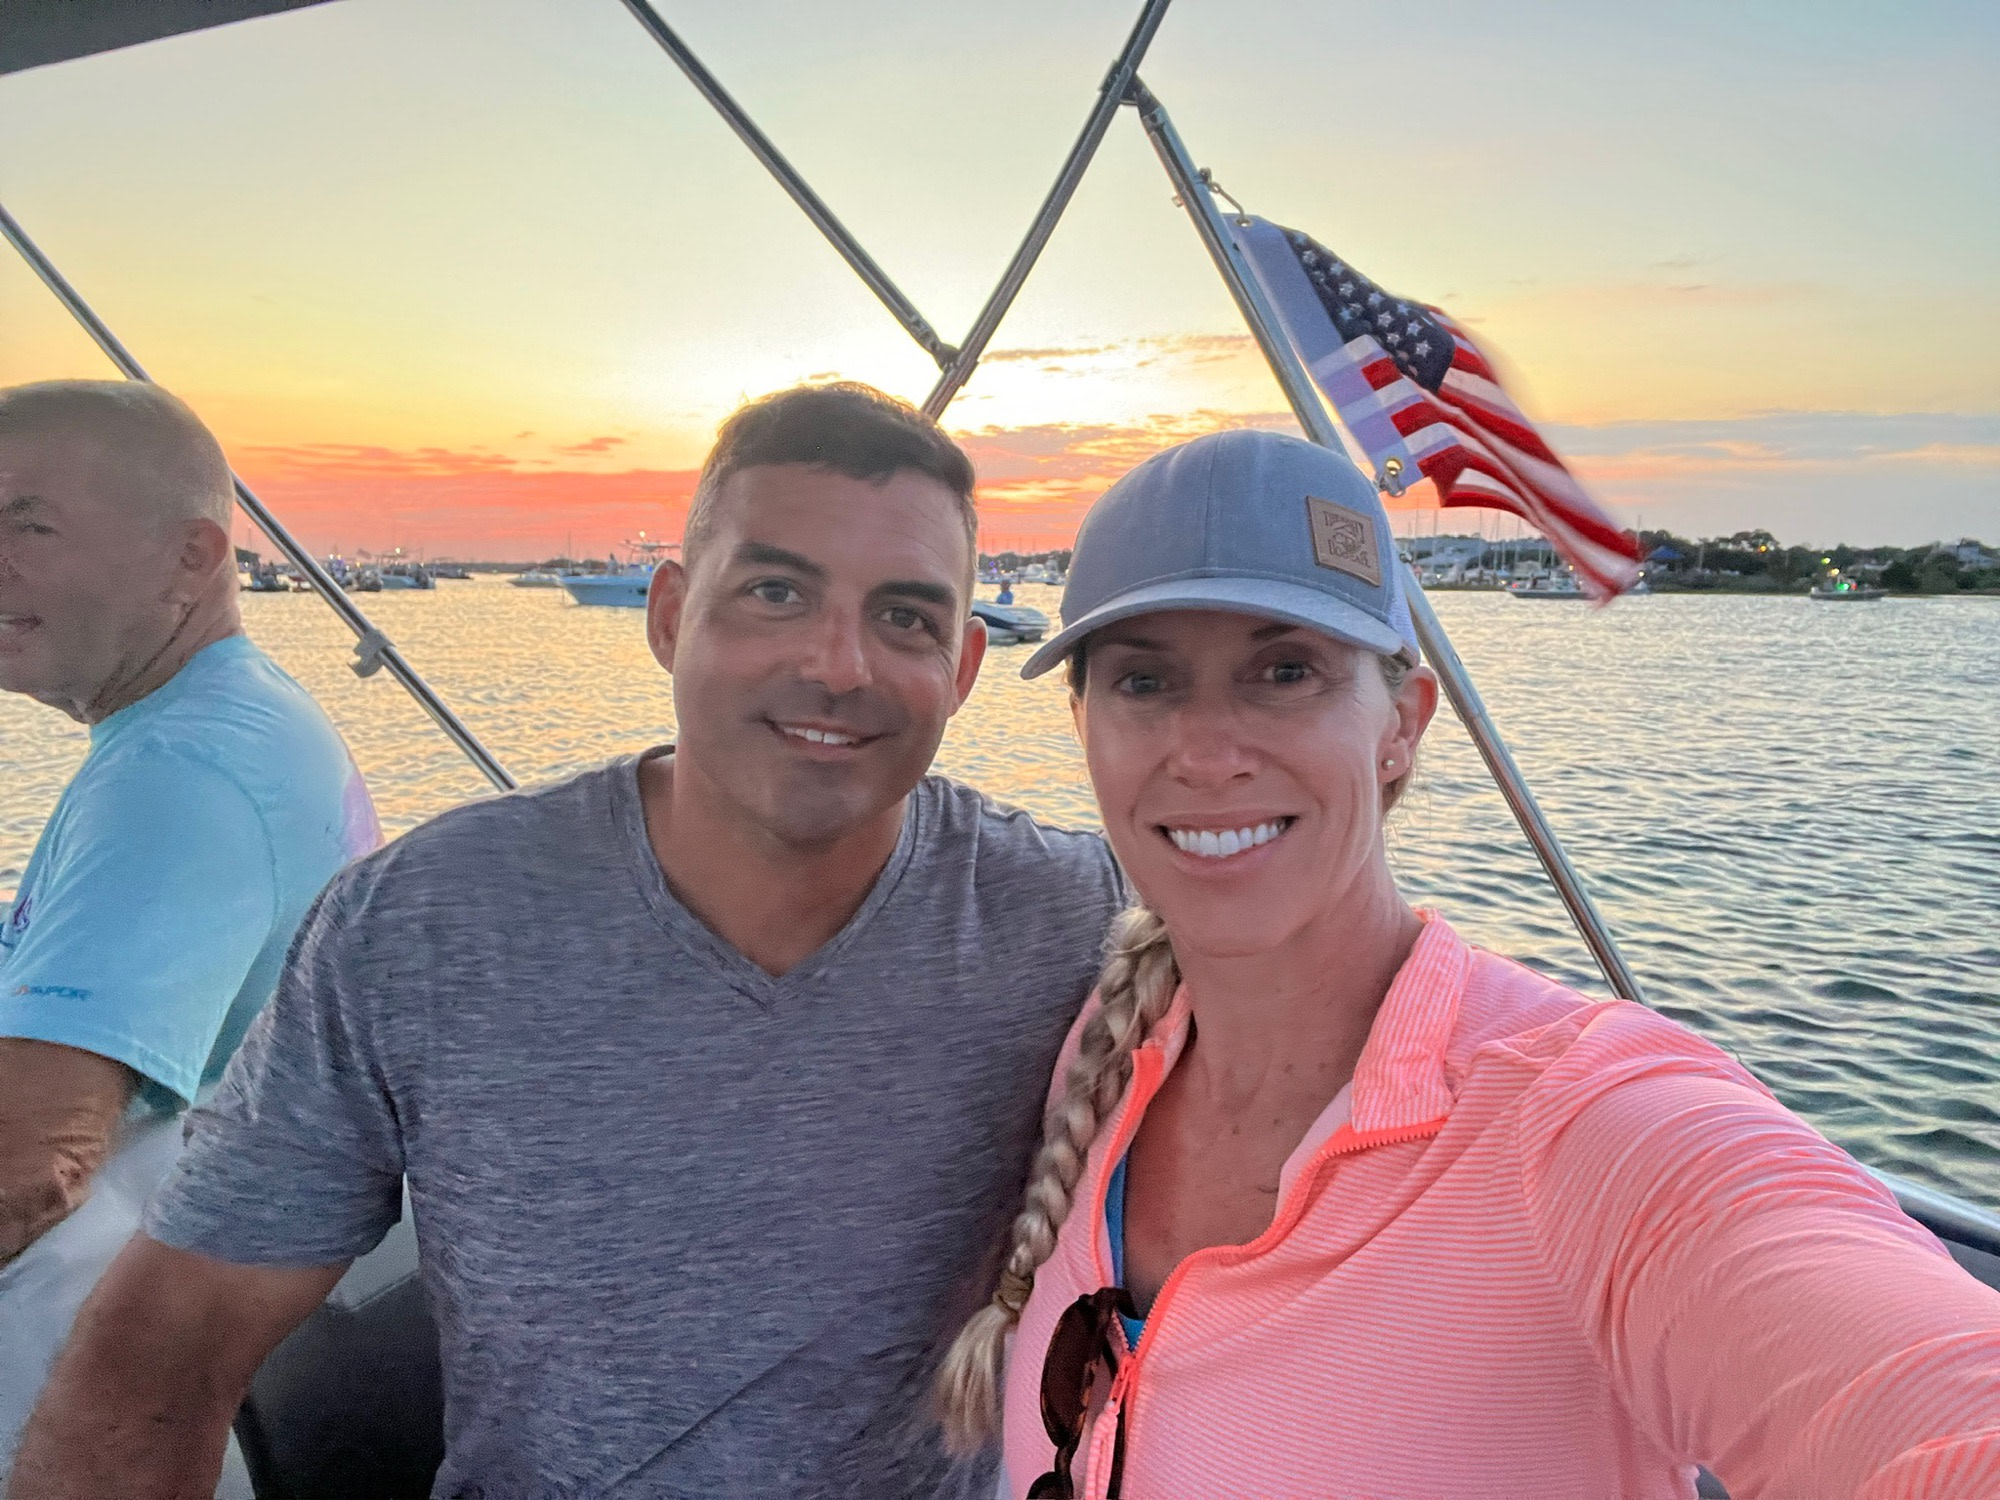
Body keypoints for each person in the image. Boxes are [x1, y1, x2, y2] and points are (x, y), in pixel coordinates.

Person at [11, 383, 1127, 1500]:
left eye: (904, 618)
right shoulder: (423, 924)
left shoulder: (1074, 917)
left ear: (963, 668)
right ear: (669, 616)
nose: (839, 665)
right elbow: (162, 1352)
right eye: (775, 592)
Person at [936, 429, 2000, 1499]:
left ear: (1400, 724)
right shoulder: (1108, 1053)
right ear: (1082, 724)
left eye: (1286, 672)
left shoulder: (1583, 1127)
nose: (1207, 752)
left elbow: (1922, 1397)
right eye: (1144, 681)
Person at [0, 381, 380, 1477]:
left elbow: (34, 1166)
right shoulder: (230, 712)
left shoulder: (180, 773)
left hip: (87, 1379)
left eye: (29, 525)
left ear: (190, 558)